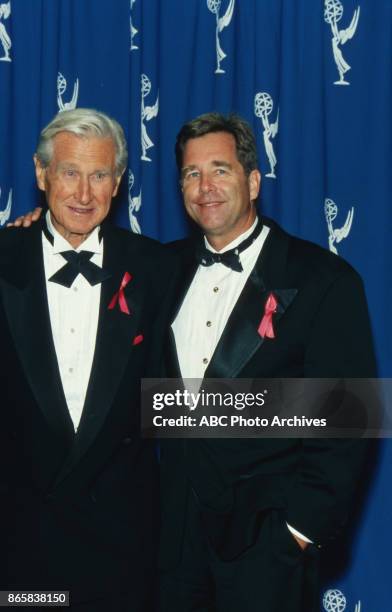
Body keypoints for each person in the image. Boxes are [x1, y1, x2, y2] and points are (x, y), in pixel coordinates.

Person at [158, 113, 377, 611]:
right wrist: (29, 229)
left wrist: (299, 531)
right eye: (192, 173)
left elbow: (349, 418)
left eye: (220, 169)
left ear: (253, 180)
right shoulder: (160, 270)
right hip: (169, 544)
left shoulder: (323, 280)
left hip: (265, 545)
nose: (205, 186)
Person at [0, 108, 174, 611]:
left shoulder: (157, 267)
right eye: (70, 172)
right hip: (20, 549)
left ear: (118, 183)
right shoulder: (4, 256)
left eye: (99, 175)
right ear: (41, 173)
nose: (83, 194)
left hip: (121, 551)